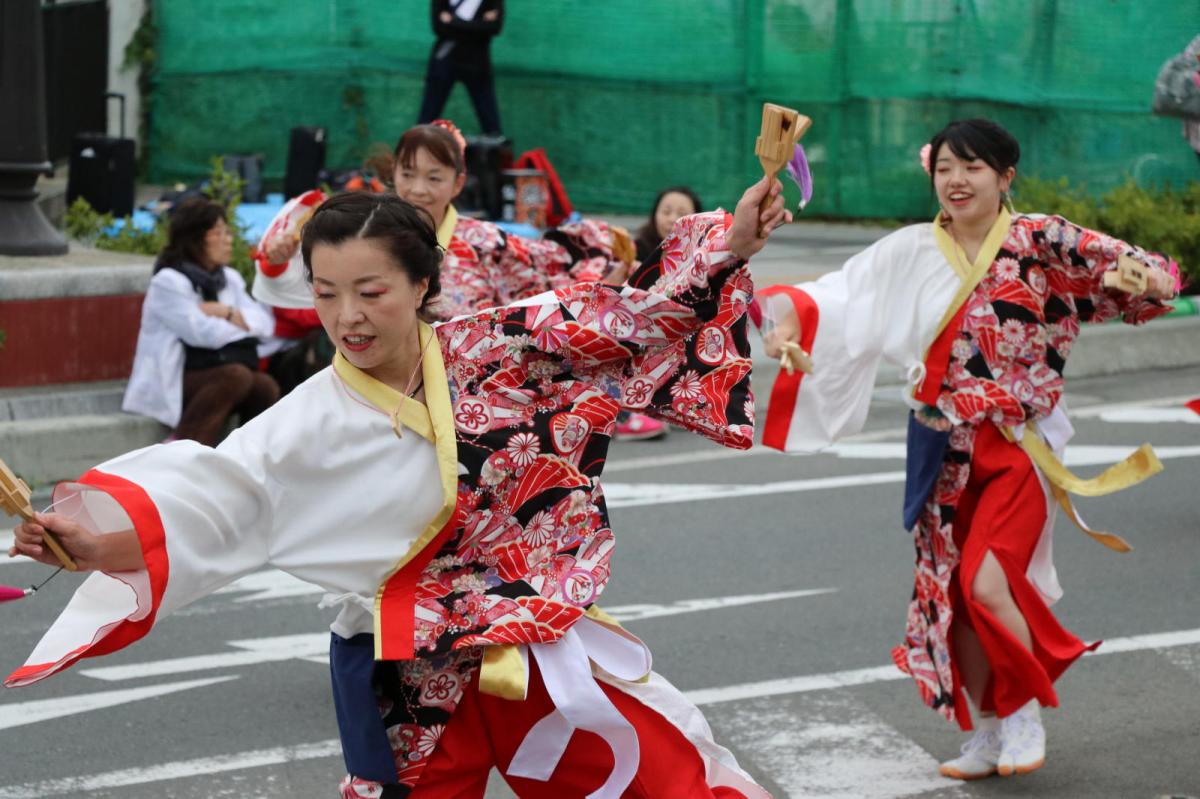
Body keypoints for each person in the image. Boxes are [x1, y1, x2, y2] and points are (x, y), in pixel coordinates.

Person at [9, 181, 790, 797]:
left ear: (421, 283)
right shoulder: (303, 420)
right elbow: (217, 504)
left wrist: (731, 242)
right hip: (407, 681)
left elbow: (628, 317)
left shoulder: (503, 341)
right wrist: (94, 547)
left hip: (530, 640)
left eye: (371, 291)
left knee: (670, 782)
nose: (347, 317)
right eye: (325, 293)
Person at [757, 118, 1178, 781]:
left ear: (1006, 177)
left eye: (973, 167)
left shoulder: (1042, 239)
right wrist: (785, 328)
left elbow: (1140, 271)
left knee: (990, 579)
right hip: (938, 448)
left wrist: (1151, 279)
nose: (956, 180)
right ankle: (987, 731)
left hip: (1016, 445)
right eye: (946, 168)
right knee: (953, 596)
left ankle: (1024, 712)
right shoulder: (910, 250)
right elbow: (841, 296)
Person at [122, 198, 279, 446]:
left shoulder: (229, 278)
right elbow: (202, 333)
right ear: (197, 238)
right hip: (178, 375)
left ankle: (249, 458)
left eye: (229, 232)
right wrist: (237, 322)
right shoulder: (169, 281)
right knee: (236, 376)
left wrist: (224, 311)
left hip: (219, 367)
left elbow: (264, 324)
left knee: (264, 386)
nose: (229, 239)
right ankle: (182, 449)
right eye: (219, 232)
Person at [417, 0, 504, 135]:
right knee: (426, 119)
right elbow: (438, 27)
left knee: (492, 125)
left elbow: (494, 27)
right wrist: (478, 24)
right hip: (444, 62)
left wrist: (453, 22)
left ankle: (495, 154)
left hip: (478, 65)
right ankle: (418, 152)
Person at [633, 186, 704, 264]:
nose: (672, 219)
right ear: (654, 215)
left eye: (682, 214)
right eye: (666, 212)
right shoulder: (635, 252)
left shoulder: (703, 256)